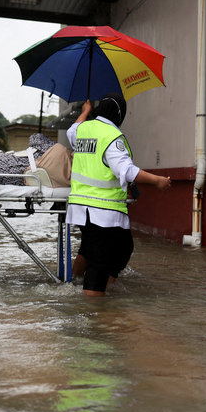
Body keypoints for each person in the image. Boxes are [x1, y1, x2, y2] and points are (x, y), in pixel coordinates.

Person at [67, 93, 171, 297]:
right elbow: (127, 170)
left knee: (110, 246)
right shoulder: (112, 137)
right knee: (101, 258)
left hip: (81, 206)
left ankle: (73, 283)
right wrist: (158, 181)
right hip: (102, 209)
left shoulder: (83, 128)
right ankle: (92, 309)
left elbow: (71, 131)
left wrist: (85, 113)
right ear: (119, 114)